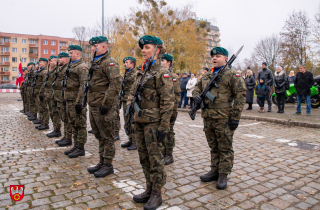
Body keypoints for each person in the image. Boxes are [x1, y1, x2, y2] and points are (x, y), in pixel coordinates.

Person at [127, 35, 174, 209]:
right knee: (144, 157)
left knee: (155, 159)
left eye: (147, 47)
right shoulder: (142, 71)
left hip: (153, 123)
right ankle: (149, 187)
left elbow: (168, 101)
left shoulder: (162, 73)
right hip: (140, 121)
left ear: (157, 50)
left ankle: (157, 193)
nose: (143, 50)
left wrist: (163, 127)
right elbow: (132, 94)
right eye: (143, 47)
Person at [193, 47, 246, 190]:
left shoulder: (231, 75)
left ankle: (223, 174)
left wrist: (235, 117)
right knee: (213, 146)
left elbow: (240, 97)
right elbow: (196, 88)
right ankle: (214, 170)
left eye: (218, 56)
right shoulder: (206, 76)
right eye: (213, 56)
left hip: (224, 117)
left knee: (225, 147)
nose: (214, 58)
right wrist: (196, 95)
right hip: (208, 117)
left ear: (226, 59)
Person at [86, 36, 122, 178]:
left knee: (107, 136)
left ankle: (108, 164)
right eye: (91, 47)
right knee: (99, 135)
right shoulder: (94, 63)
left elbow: (115, 84)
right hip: (94, 104)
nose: (92, 49)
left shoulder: (109, 62)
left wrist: (106, 104)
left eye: (94, 46)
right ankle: (102, 161)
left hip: (103, 105)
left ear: (103, 47)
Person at [61, 45, 89, 158]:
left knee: (80, 124)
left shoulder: (82, 67)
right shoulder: (71, 66)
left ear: (77, 54)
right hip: (69, 99)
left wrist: (79, 102)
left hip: (76, 100)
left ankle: (80, 148)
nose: (69, 55)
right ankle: (76, 145)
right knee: (73, 123)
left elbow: (84, 85)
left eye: (71, 53)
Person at [160, 53, 181, 165]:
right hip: (160, 109)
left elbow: (176, 96)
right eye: (161, 60)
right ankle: (162, 152)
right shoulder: (158, 75)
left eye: (163, 60)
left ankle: (169, 154)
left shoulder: (174, 77)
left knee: (168, 132)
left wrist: (173, 111)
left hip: (170, 110)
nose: (161, 62)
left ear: (169, 62)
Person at [53, 53, 73, 147]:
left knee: (66, 118)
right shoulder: (61, 68)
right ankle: (66, 136)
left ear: (65, 60)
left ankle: (68, 137)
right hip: (60, 96)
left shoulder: (66, 68)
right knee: (64, 117)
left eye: (60, 58)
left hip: (64, 97)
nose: (58, 60)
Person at [120, 56, 137, 151]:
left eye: (126, 62)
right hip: (124, 99)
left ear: (132, 64)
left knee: (132, 121)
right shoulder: (127, 73)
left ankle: (135, 142)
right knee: (127, 120)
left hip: (131, 100)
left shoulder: (134, 74)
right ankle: (130, 139)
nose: (124, 64)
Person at [45, 56, 62, 138]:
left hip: (55, 95)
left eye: (51, 61)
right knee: (52, 113)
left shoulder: (58, 70)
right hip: (50, 94)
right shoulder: (52, 71)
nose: (50, 63)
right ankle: (55, 129)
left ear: (56, 62)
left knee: (56, 113)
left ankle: (57, 130)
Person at [34, 58, 49, 130]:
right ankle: (42, 122)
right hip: (38, 92)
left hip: (42, 93)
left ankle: (45, 123)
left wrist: (42, 93)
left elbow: (44, 83)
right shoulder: (41, 71)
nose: (39, 63)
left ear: (45, 63)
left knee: (44, 109)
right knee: (40, 108)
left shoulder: (45, 72)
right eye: (39, 62)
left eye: (41, 62)